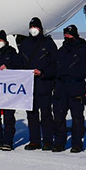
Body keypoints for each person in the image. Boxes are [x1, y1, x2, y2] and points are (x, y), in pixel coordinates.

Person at [53, 25, 86, 153]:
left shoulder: (84, 50)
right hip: (61, 88)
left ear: (75, 35)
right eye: (65, 34)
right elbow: (55, 69)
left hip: (77, 87)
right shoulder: (61, 50)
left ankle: (77, 143)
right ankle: (59, 143)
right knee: (58, 117)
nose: (67, 36)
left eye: (69, 34)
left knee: (77, 118)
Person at [18, 17, 58, 151]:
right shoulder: (24, 44)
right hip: (29, 85)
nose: (33, 30)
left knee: (46, 114)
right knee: (31, 114)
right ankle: (34, 141)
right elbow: (19, 63)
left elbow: (55, 64)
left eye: (35, 27)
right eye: (31, 27)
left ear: (40, 29)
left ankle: (48, 141)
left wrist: (43, 73)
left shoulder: (48, 43)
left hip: (44, 84)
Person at [0, 30, 24, 151]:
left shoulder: (12, 53)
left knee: (9, 117)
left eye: (0, 40)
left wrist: (8, 67)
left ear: (5, 41)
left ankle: (8, 142)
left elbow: (19, 66)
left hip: (8, 92)